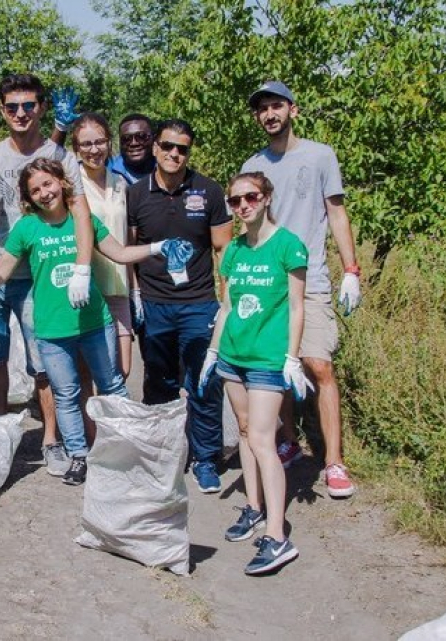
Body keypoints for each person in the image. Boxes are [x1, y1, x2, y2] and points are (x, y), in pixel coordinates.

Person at [0, 158, 175, 485]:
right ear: (28, 198)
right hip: (51, 331)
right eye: (35, 190)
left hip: (94, 322)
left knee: (113, 386)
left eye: (48, 184)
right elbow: (2, 269)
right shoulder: (27, 228)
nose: (44, 193)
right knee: (67, 394)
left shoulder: (82, 221)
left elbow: (119, 253)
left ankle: (126, 448)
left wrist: (157, 247)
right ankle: (78, 455)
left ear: (61, 182)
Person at [0, 73, 95, 477]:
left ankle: (51, 439)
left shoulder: (59, 156)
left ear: (41, 108)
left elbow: (79, 211)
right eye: (11, 107)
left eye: (28, 106)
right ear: (2, 110)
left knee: (45, 360)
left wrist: (81, 267)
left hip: (40, 273)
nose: (20, 114)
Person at [242, 80, 361, 498]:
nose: (269, 114)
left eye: (276, 106)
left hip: (310, 279)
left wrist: (351, 269)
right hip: (269, 281)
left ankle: (334, 462)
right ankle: (290, 439)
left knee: (318, 364)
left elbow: (337, 211)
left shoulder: (320, 155)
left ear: (293, 109)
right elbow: (248, 225)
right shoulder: (254, 165)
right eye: (262, 109)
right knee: (276, 365)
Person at [199, 171, 309, 575]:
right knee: (245, 431)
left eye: (250, 197)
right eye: (235, 200)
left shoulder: (287, 246)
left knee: (264, 440)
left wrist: (292, 358)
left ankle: (278, 536)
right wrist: (213, 352)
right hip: (232, 355)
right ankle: (254, 507)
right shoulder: (233, 251)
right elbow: (227, 307)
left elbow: (298, 307)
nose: (243, 206)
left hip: (267, 359)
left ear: (266, 198)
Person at [127, 118, 232, 493]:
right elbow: (130, 249)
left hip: (199, 304)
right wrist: (135, 294)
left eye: (182, 149)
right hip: (154, 305)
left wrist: (224, 302)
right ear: (155, 147)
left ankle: (206, 458)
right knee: (160, 384)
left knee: (204, 383)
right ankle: (163, 455)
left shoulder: (209, 191)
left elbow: (223, 250)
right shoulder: (136, 194)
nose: (174, 154)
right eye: (168, 146)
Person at [70, 112, 134, 377]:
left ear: (109, 143)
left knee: (122, 370)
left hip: (118, 288)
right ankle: (89, 421)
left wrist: (136, 289)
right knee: (89, 372)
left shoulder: (120, 181)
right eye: (86, 144)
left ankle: (110, 420)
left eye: (99, 142)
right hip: (87, 289)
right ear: (76, 149)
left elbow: (128, 238)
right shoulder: (71, 185)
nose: (94, 149)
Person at [107, 114, 156, 185]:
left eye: (141, 136)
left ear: (154, 139)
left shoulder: (166, 168)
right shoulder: (107, 170)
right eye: (126, 139)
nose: (134, 143)